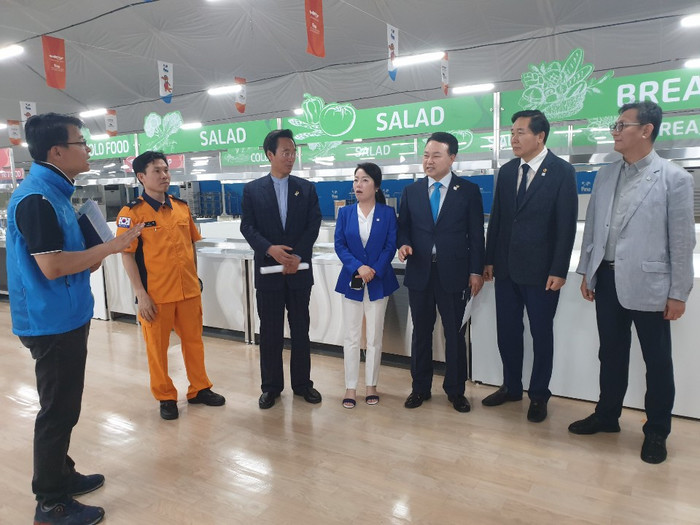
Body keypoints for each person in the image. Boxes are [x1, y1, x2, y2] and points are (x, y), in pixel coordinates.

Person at [6, 113, 143, 524]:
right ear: (57, 151)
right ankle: (50, 502)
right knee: (57, 411)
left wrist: (97, 250)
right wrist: (111, 247)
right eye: (80, 142)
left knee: (66, 405)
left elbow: (75, 260)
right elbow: (53, 267)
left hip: (68, 314)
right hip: (50, 322)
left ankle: (62, 474)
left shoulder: (58, 194)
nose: (88, 149)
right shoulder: (37, 200)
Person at [569, 101, 695, 464]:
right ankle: (607, 415)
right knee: (610, 353)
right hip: (607, 280)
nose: (615, 131)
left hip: (651, 285)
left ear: (646, 130)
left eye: (622, 125)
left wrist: (678, 293)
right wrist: (587, 271)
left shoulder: (674, 178)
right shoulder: (607, 175)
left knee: (657, 361)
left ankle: (656, 431)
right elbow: (593, 227)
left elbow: (683, 241)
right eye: (615, 124)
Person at [481, 110, 578, 423]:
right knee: (508, 331)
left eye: (520, 132)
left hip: (542, 272)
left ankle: (538, 395)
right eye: (512, 132)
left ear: (540, 136)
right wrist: (489, 259)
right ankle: (511, 387)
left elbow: (566, 225)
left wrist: (559, 269)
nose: (513, 138)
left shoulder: (561, 171)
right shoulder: (508, 171)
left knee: (541, 334)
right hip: (506, 269)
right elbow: (498, 219)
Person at [116, 151, 225, 420]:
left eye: (166, 170)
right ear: (141, 177)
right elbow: (127, 255)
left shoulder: (181, 207)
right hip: (156, 295)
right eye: (157, 171)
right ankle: (165, 396)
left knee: (194, 342)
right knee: (157, 349)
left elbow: (191, 245)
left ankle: (199, 388)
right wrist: (141, 294)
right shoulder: (132, 213)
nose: (164, 175)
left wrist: (194, 277)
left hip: (188, 291)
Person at [397, 131, 485, 413]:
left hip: (455, 273)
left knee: (454, 335)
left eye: (436, 155)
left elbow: (476, 235)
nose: (429, 161)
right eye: (426, 155)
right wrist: (403, 244)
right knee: (421, 333)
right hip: (420, 272)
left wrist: (476, 271)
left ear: (452, 158)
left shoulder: (468, 191)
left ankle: (456, 391)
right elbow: (403, 228)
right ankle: (419, 388)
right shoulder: (411, 191)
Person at [241, 129, 323, 409]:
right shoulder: (253, 190)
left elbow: (313, 225)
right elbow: (247, 226)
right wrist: (270, 249)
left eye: (293, 152)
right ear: (270, 155)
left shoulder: (307, 189)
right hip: (268, 274)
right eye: (285, 152)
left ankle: (303, 384)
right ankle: (271, 387)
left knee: (301, 330)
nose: (291, 157)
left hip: (299, 273)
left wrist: (296, 256)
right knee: (270, 332)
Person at [334, 163, 400, 408]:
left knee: (374, 337)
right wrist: (358, 267)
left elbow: (390, 246)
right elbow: (340, 245)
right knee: (351, 337)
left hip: (378, 281)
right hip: (351, 280)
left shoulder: (388, 213)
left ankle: (371, 385)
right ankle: (350, 387)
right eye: (355, 180)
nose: (358, 185)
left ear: (376, 186)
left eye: (364, 180)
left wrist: (374, 270)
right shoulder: (345, 213)